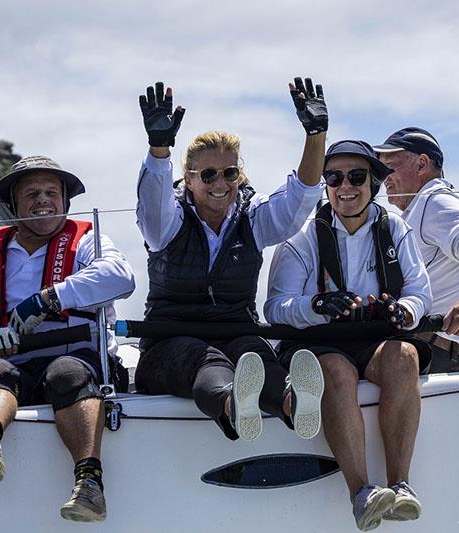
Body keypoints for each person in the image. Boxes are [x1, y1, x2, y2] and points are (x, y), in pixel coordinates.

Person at [134, 78, 326, 443]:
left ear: (240, 176)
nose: (220, 183)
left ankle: (293, 402)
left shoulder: (252, 218)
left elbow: (299, 202)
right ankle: (234, 406)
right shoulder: (166, 222)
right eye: (208, 174)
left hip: (235, 330)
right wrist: (159, 148)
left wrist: (315, 134)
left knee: (258, 356)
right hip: (169, 341)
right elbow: (153, 202)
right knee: (206, 360)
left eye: (229, 173)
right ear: (188, 180)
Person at [264, 140, 432, 531]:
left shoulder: (395, 228)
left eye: (356, 176)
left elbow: (420, 295)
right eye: (334, 177)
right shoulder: (302, 235)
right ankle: (361, 493)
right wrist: (317, 306)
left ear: (374, 182)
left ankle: (402, 485)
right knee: (337, 373)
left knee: (404, 356)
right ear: (325, 185)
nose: (345, 186)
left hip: (375, 341)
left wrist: (404, 312)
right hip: (319, 342)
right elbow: (276, 307)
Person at [0, 155, 134, 523]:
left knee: (65, 372)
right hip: (18, 366)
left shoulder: (87, 241)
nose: (42, 200)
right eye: (32, 193)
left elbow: (121, 276)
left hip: (78, 363)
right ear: (14, 205)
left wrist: (50, 298)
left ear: (65, 202)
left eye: (51, 193)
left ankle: (89, 483)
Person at [374, 127, 459, 372]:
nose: (383, 177)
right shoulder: (419, 209)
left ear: (422, 164)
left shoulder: (435, 200)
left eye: (390, 167)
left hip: (425, 354)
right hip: (427, 352)